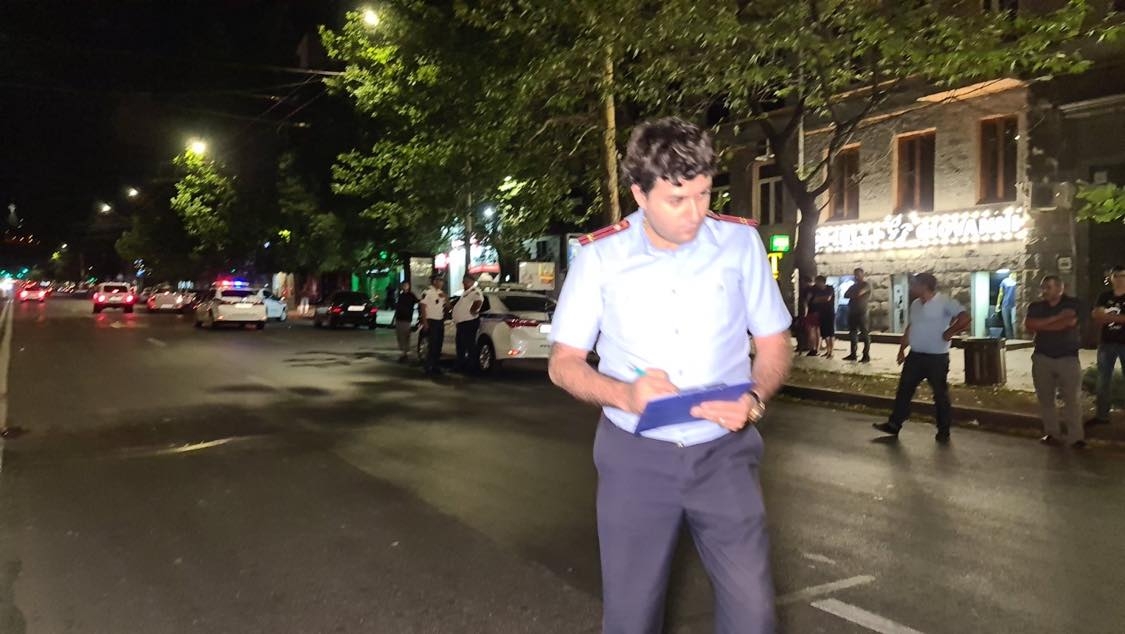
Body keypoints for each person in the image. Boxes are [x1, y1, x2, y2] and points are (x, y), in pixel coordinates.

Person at [548, 117, 793, 634]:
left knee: (754, 617)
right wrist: (625, 395)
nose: (695, 212)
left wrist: (753, 396)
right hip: (635, 459)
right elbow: (564, 364)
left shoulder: (740, 244)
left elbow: (774, 343)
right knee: (632, 618)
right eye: (677, 199)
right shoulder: (599, 256)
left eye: (704, 194)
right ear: (640, 194)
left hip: (724, 455)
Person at [873, 273, 970, 443]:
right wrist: (902, 349)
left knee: (940, 394)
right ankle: (894, 424)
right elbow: (911, 327)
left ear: (925, 285)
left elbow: (965, 318)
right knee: (904, 390)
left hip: (937, 357)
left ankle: (943, 430)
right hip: (916, 355)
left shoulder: (944, 302)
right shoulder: (916, 304)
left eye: (915, 284)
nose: (912, 287)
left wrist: (950, 332)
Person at [1024, 276, 1084, 448]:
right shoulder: (1036, 306)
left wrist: (1042, 325)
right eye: (1043, 287)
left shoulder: (1073, 304)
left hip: (1067, 357)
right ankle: (1052, 433)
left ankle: (1076, 437)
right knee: (1046, 399)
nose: (1044, 291)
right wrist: (1057, 318)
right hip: (1042, 357)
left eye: (1048, 287)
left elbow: (1069, 323)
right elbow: (1029, 326)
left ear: (1060, 288)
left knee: (1072, 399)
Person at [1089, 264, 1125, 426]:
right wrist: (1119, 318)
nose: (1120, 279)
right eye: (1116, 276)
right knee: (1103, 380)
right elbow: (1096, 315)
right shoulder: (1104, 296)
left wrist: (1107, 317)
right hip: (1106, 343)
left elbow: (1102, 316)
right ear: (1111, 278)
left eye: (1123, 276)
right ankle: (1102, 416)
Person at [453, 274, 485, 372]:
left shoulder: (475, 291)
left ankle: (472, 367)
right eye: (463, 281)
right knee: (460, 345)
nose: (464, 283)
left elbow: (479, 301)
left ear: (472, 282)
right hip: (462, 323)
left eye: (466, 281)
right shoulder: (465, 293)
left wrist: (473, 310)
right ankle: (461, 365)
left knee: (469, 345)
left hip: (469, 322)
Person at [418, 275, 449, 376]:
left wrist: (446, 297)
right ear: (434, 281)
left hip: (440, 320)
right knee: (432, 345)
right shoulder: (427, 292)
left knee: (438, 344)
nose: (442, 283)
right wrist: (425, 322)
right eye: (440, 281)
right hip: (431, 320)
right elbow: (422, 306)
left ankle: (435, 366)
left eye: (442, 281)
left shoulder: (441, 293)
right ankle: (428, 366)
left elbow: (448, 306)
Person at [843, 268, 872, 363]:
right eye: (855, 275)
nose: (856, 277)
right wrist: (854, 295)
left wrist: (853, 295)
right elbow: (845, 295)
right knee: (852, 333)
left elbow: (859, 293)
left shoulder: (866, 285)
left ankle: (866, 355)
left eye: (858, 275)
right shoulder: (853, 286)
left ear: (863, 275)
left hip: (862, 312)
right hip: (852, 312)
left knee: (864, 334)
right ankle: (853, 354)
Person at [808, 275, 836, 358]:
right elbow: (812, 300)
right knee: (825, 333)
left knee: (830, 332)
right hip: (821, 313)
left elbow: (827, 298)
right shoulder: (816, 290)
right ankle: (828, 351)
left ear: (822, 282)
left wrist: (817, 299)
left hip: (829, 313)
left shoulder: (829, 288)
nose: (816, 284)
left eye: (817, 282)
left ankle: (831, 351)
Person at [393, 280, 419, 363]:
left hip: (406, 318)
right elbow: (397, 307)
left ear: (408, 286)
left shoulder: (411, 295)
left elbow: (418, 302)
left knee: (405, 335)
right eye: (403, 285)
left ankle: (405, 353)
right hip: (399, 318)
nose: (404, 287)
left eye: (406, 285)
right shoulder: (400, 295)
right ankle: (403, 353)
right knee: (400, 336)